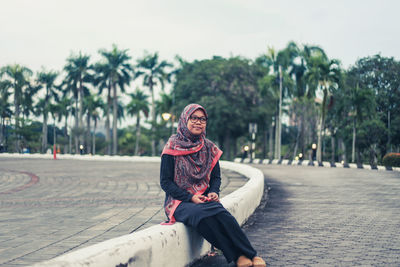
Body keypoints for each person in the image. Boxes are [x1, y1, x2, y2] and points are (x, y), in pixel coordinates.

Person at [160, 103, 266, 267]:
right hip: (178, 202)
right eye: (194, 118)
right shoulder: (172, 147)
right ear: (184, 120)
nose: (198, 122)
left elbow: (216, 177)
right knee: (202, 216)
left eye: (202, 119)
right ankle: (240, 255)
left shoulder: (209, 147)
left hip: (203, 198)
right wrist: (190, 197)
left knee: (221, 213)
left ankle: (248, 254)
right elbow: (165, 182)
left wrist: (214, 191)